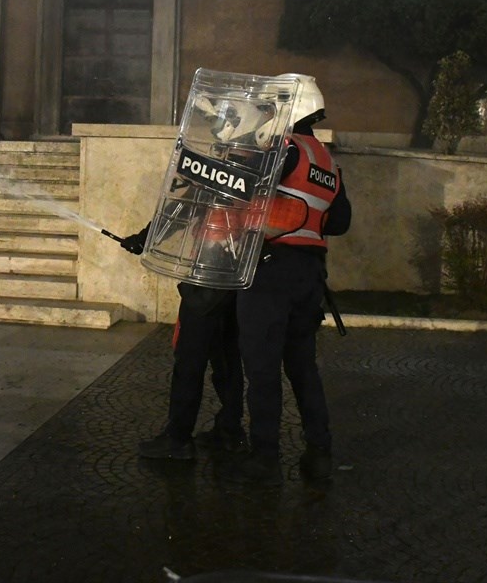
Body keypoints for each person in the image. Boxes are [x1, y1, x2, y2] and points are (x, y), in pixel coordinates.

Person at [225, 73, 351, 487]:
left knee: (262, 368)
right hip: (309, 274)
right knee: (302, 367)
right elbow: (340, 221)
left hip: (270, 269)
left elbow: (241, 186)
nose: (267, 115)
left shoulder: (285, 149)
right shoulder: (327, 161)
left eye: (270, 108)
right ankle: (319, 452)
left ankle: (265, 458)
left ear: (289, 108)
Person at [120, 226, 247, 461]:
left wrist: (142, 239)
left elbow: (178, 211)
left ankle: (178, 437)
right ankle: (230, 430)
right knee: (226, 356)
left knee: (190, 357)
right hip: (236, 269)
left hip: (208, 268)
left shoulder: (211, 197)